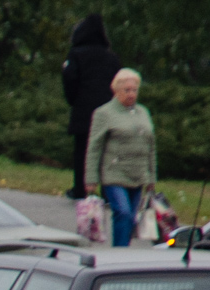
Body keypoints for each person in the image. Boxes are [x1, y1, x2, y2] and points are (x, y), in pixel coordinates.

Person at [85, 68, 155, 248]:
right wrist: (90, 178)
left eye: (134, 90)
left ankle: (123, 251)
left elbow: (151, 146)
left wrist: (152, 177)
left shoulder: (143, 112)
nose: (131, 94)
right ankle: (119, 253)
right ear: (116, 91)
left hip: (138, 174)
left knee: (131, 218)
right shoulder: (104, 113)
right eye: (127, 90)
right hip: (114, 174)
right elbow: (94, 147)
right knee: (122, 213)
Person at [61, 14, 122, 201]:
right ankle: (107, 192)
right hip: (109, 111)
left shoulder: (76, 55)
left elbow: (69, 79)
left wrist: (74, 101)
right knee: (106, 152)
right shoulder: (111, 58)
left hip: (84, 110)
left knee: (82, 151)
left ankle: (80, 189)